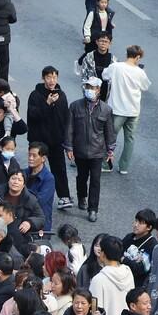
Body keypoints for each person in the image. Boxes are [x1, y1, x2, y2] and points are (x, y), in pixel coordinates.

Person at [64, 75, 114, 221]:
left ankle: (93, 209)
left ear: (98, 90)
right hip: (80, 150)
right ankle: (81, 197)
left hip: (98, 152)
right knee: (82, 177)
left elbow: (109, 131)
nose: (89, 90)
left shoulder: (106, 110)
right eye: (87, 87)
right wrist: (69, 147)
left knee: (95, 181)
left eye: (92, 88)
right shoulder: (75, 106)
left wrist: (110, 150)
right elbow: (69, 129)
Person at [26, 66, 71, 207]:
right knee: (35, 168)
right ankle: (30, 194)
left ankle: (64, 197)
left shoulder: (61, 95)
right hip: (39, 141)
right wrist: (47, 104)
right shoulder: (35, 95)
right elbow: (33, 115)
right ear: (43, 78)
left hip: (56, 140)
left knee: (59, 169)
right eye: (48, 77)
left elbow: (65, 118)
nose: (52, 80)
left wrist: (67, 140)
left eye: (54, 77)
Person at [104, 44, 151, 177]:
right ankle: (123, 167)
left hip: (117, 109)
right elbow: (146, 86)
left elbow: (104, 75)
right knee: (129, 139)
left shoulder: (116, 67)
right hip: (133, 111)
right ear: (137, 57)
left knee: (110, 138)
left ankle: (106, 163)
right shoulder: (140, 72)